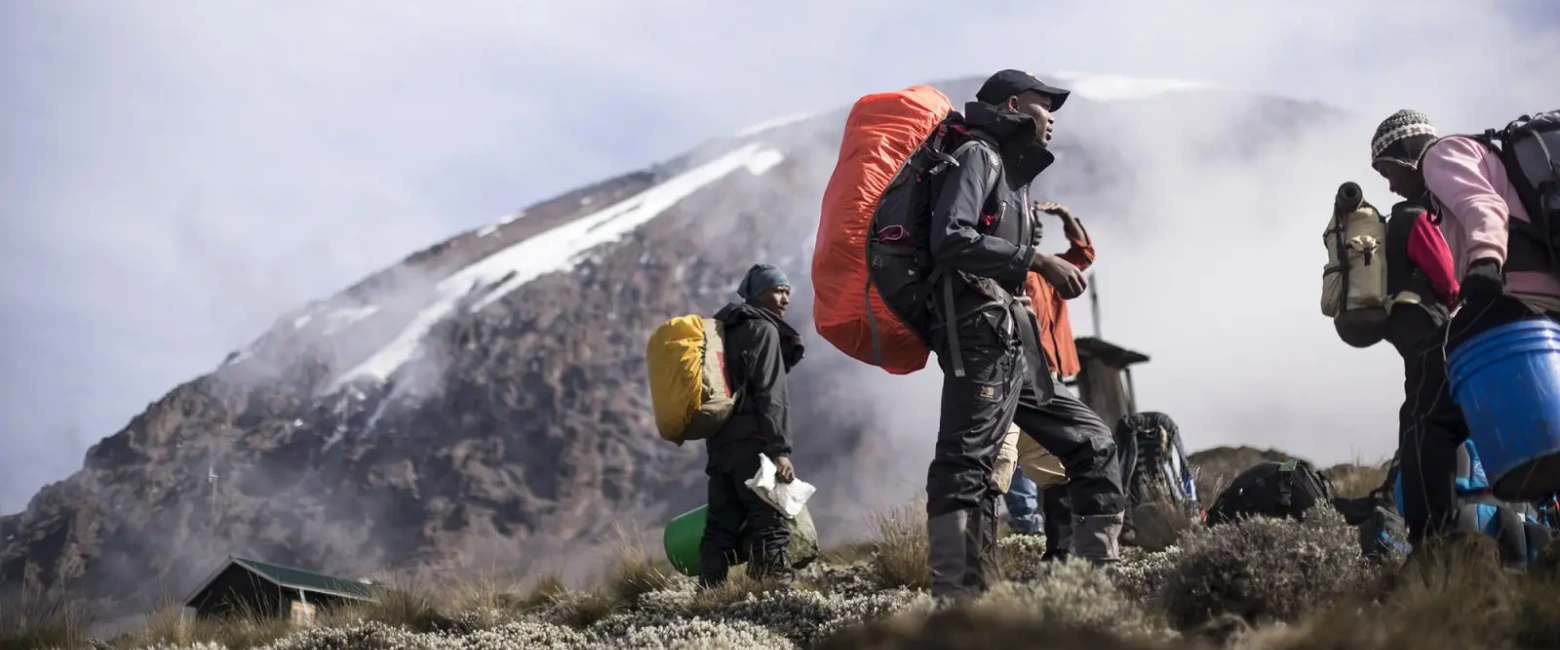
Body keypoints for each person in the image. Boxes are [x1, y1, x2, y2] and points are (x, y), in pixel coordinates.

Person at [923, 69, 1126, 599]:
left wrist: (1047, 256)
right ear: (1015, 105)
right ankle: (959, 601)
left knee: (1093, 441)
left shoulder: (1014, 176)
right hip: (979, 333)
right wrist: (1037, 257)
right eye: (1045, 104)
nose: (1053, 116)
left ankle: (1090, 586)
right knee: (970, 463)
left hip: (1017, 340)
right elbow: (950, 238)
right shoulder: (979, 156)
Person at [1370, 109, 1560, 547]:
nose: (1391, 185)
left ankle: (1434, 548)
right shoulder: (1448, 194)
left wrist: (1486, 262)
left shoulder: (1441, 155)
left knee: (1424, 408)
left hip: (1513, 295)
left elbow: (1483, 205)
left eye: (1388, 171)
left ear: (1405, 153)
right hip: (1543, 305)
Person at [698, 264, 806, 589]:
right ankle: (775, 598)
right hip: (755, 445)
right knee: (771, 522)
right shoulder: (763, 329)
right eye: (778, 290)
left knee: (720, 527)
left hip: (720, 445)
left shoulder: (722, 331)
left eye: (787, 290)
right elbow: (770, 393)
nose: (785, 298)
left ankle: (708, 596)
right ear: (759, 293)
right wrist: (780, 451)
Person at [1003, 201, 1098, 550]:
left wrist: (1066, 216)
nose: (1038, 231)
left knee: (1047, 450)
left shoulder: (1051, 272)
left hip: (1050, 373)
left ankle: (1049, 535)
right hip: (1020, 371)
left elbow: (1084, 254)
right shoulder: (1016, 271)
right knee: (1012, 448)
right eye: (1033, 226)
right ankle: (1026, 524)